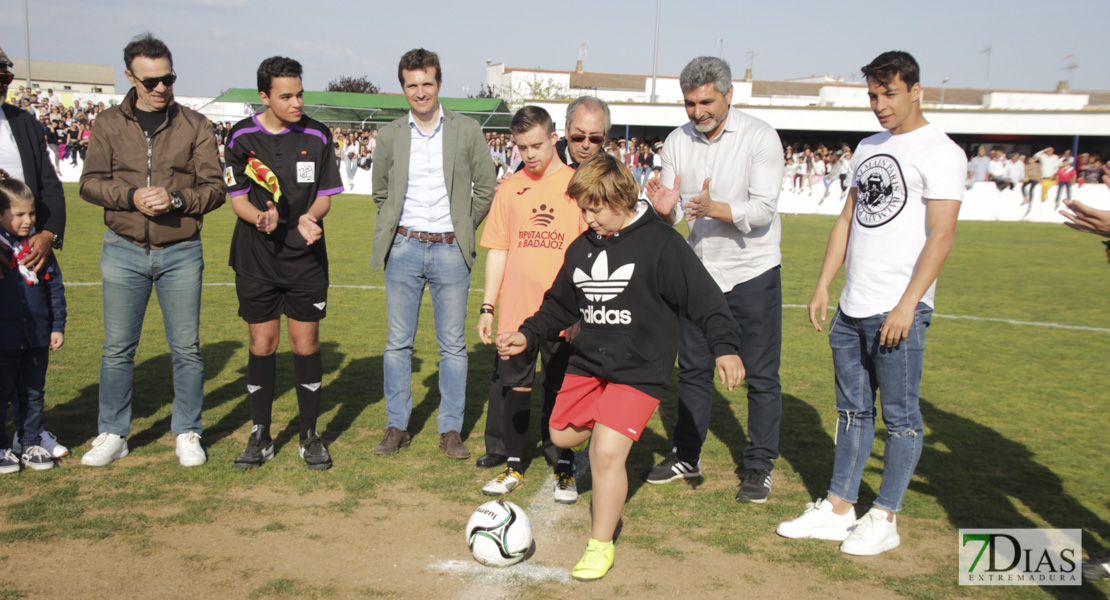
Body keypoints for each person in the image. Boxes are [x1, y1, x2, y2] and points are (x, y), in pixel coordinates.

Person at [495, 153, 744, 581]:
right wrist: (527, 334)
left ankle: (600, 544)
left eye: (595, 209)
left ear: (621, 197)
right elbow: (558, 306)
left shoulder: (662, 245)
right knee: (559, 434)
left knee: (606, 453)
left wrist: (725, 348)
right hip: (588, 365)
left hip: (640, 371)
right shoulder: (581, 248)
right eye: (584, 209)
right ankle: (615, 424)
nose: (588, 218)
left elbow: (705, 299)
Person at [777, 51, 965, 556]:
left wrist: (909, 304)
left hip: (897, 310)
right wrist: (823, 285)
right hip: (851, 308)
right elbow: (846, 220)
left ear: (916, 90)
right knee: (852, 413)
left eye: (889, 94)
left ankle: (885, 516)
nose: (879, 105)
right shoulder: (866, 148)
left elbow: (941, 236)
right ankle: (840, 508)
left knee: (900, 419)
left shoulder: (942, 152)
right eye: (873, 96)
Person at [79, 33, 226, 467]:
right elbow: (88, 183)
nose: (162, 88)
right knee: (117, 349)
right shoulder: (107, 123)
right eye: (151, 81)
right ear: (130, 76)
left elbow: (214, 189)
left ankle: (188, 431)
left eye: (169, 78)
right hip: (122, 247)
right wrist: (129, 196)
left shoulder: (195, 124)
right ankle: (113, 433)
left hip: (181, 250)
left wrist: (176, 200)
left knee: (186, 348)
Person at [645, 56, 785, 504]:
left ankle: (759, 465)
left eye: (706, 101)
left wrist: (714, 208)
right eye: (689, 103)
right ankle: (687, 453)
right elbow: (668, 217)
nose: (697, 111)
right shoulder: (675, 140)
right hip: (699, 274)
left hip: (753, 271)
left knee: (761, 375)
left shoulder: (760, 137)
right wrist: (664, 211)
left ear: (729, 95)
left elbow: (763, 210)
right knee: (693, 371)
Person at [370, 48, 495, 459]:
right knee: (397, 343)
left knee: (453, 346)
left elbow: (485, 188)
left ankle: (451, 429)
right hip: (403, 246)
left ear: (438, 83)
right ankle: (397, 426)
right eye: (412, 85)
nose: (420, 92)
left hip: (450, 250)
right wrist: (400, 233)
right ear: (403, 87)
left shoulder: (468, 129)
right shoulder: (389, 135)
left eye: (427, 83)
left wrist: (462, 228)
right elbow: (380, 193)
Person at [477, 95, 612, 469]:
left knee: (559, 386)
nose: (529, 154)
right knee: (510, 384)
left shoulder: (578, 186)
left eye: (536, 145)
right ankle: (504, 450)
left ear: (554, 138)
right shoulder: (509, 187)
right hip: (516, 312)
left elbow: (592, 253)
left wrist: (583, 311)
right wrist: (488, 306)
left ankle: (559, 453)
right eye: (521, 147)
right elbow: (498, 250)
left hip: (561, 313)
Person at [224, 57, 343, 471]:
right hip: (256, 258)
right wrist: (258, 217)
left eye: (300, 93)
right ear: (264, 96)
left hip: (306, 259)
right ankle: (260, 433)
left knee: (305, 344)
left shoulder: (318, 134)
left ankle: (310, 434)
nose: (297, 102)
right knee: (262, 344)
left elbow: (325, 193)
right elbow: (237, 198)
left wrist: (312, 216)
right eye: (286, 96)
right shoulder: (239, 136)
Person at [0, 46, 69, 460]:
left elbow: (47, 182)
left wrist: (47, 233)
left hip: (25, 248)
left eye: (7, 74)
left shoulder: (23, 121)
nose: (5, 80)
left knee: (24, 369)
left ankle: (29, 435)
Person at [0, 171, 66, 473]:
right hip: (5, 338)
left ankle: (28, 443)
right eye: (18, 214)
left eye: (32, 213)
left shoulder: (40, 249)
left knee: (33, 392)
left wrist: (56, 326)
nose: (27, 221)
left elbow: (54, 290)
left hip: (37, 336)